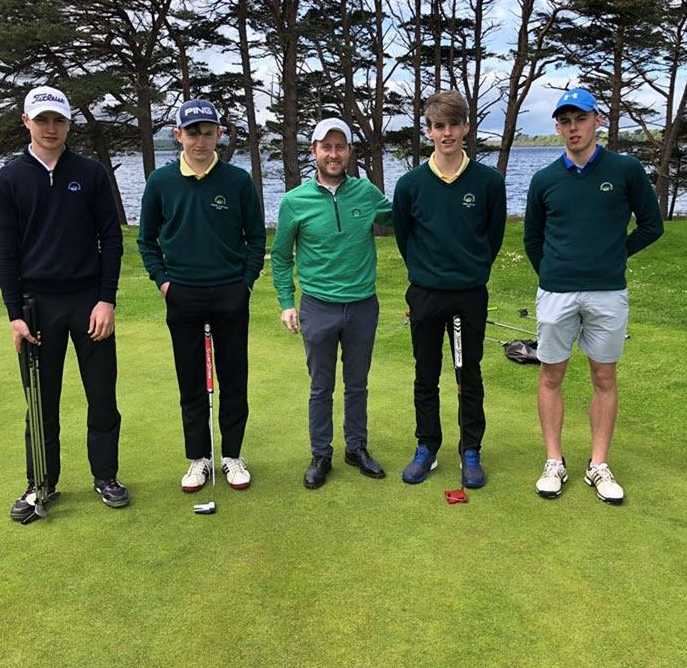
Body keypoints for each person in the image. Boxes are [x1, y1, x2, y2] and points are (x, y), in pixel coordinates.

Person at [0, 85, 128, 519]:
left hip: (89, 301)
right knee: (41, 401)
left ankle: (105, 476)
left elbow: (111, 238)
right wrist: (15, 315)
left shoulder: (89, 173)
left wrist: (106, 300)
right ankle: (41, 484)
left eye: (58, 120)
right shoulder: (9, 178)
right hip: (37, 307)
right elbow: (5, 251)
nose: (51, 128)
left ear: (69, 123)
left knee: (102, 395)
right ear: (26, 122)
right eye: (42, 119)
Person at [524, 88, 664, 504]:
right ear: (557, 127)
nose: (573, 128)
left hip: (607, 292)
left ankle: (598, 464)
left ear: (597, 121)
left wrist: (613, 254)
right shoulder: (544, 178)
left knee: (604, 376)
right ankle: (554, 461)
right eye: (565, 121)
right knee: (551, 375)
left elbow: (652, 226)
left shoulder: (625, 170)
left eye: (580, 119)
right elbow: (533, 238)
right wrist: (553, 270)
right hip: (557, 293)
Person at [138, 99, 266, 492]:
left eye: (207, 132)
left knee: (233, 377)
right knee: (191, 381)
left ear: (219, 135)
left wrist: (245, 282)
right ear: (178, 135)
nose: (200, 140)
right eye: (192, 132)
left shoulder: (237, 180)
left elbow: (256, 238)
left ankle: (231, 456)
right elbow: (147, 241)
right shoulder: (161, 182)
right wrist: (164, 282)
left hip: (230, 291)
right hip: (182, 294)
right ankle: (199, 458)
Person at [392, 90, 507, 489]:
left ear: (466, 128)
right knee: (426, 374)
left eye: (453, 125)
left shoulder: (488, 182)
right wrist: (428, 273)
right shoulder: (410, 184)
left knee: (468, 373)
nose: (446, 133)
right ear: (428, 131)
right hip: (425, 294)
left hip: (470, 293)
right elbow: (405, 239)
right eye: (438, 126)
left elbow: (492, 239)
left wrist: (469, 271)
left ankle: (470, 449)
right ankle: (427, 446)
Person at [272, 118, 393, 489]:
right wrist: (286, 302)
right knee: (320, 387)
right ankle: (320, 453)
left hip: (362, 305)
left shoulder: (366, 193)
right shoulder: (295, 202)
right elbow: (280, 257)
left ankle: (356, 447)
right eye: (326, 147)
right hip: (317, 306)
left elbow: (404, 220)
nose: (334, 154)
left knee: (357, 384)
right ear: (314, 152)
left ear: (350, 152)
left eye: (341, 147)